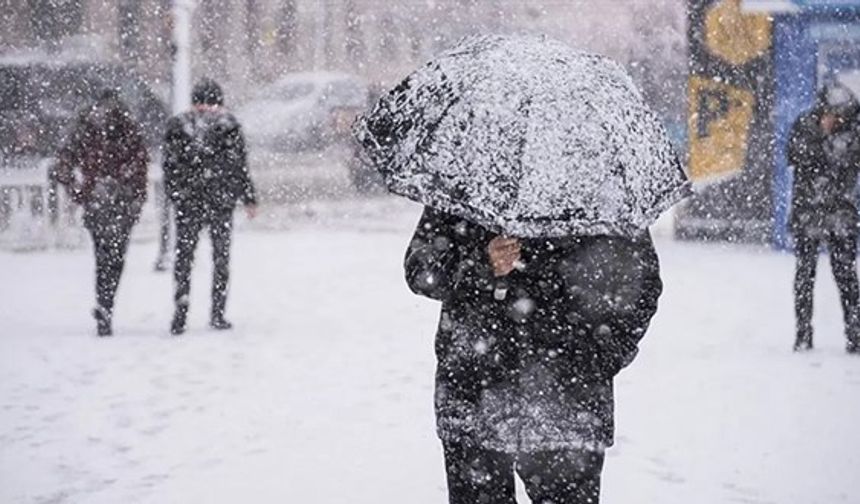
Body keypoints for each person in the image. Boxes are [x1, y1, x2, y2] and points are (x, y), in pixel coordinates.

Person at [404, 207, 662, 504]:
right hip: (475, 396)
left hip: (568, 405)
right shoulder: (465, 180)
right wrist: (481, 262)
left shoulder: (599, 187)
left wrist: (599, 357)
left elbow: (642, 284)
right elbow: (421, 271)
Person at [162, 79, 257, 335]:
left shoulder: (178, 125)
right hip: (220, 202)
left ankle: (181, 311)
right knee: (221, 258)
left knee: (184, 257)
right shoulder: (228, 125)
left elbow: (169, 166)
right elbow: (239, 166)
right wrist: (248, 196)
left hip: (189, 202)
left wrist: (177, 195)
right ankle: (217, 313)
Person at [54, 88, 148, 336]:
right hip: (120, 202)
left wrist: (79, 191)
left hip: (99, 200)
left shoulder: (87, 129)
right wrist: (137, 197)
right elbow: (140, 168)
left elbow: (63, 165)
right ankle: (107, 303)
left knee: (104, 256)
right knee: (115, 258)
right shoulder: (127, 130)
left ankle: (104, 303)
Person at [787, 83, 860, 353]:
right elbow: (797, 155)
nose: (836, 120)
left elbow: (847, 162)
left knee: (846, 277)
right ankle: (803, 333)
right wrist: (823, 138)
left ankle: (855, 334)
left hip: (841, 214)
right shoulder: (805, 127)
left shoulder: (853, 134)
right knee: (805, 276)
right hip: (809, 214)